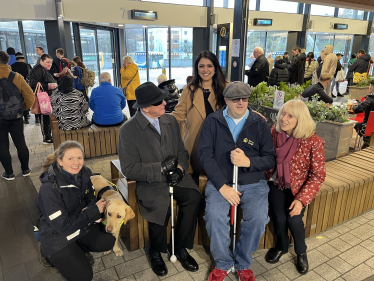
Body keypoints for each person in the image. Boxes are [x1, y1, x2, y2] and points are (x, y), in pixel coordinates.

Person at [118, 82, 201, 277]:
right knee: (159, 204)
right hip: (151, 182)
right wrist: (161, 169)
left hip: (177, 177)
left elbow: (181, 151)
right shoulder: (128, 130)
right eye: (159, 102)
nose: (165, 102)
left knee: (194, 197)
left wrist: (180, 169)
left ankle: (179, 246)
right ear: (145, 107)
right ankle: (156, 251)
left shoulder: (170, 121)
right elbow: (129, 168)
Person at [198, 81, 275, 281]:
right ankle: (223, 263)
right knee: (214, 216)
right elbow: (205, 155)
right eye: (235, 99)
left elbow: (269, 158)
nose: (240, 102)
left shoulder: (259, 123)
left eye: (245, 99)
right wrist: (222, 187)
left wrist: (248, 161)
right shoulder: (212, 122)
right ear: (226, 100)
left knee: (258, 218)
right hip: (221, 181)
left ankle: (243, 263)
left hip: (253, 182)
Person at [35, 141, 116, 281]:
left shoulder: (84, 173)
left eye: (80, 157)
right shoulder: (49, 189)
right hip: (57, 235)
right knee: (84, 277)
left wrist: (91, 207)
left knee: (108, 241)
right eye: (70, 158)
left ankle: (78, 249)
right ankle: (46, 252)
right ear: (60, 161)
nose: (76, 162)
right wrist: (91, 212)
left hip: (78, 223)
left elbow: (90, 195)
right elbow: (61, 226)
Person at [264, 100, 326, 275]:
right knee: (279, 218)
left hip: (299, 188)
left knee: (294, 220)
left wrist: (301, 199)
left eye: (290, 116)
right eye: (283, 113)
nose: (283, 118)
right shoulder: (274, 134)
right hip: (277, 183)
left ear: (300, 119)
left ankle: (301, 251)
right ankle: (282, 246)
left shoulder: (313, 141)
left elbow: (318, 175)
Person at [171, 50, 228, 177]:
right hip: (195, 145)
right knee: (196, 179)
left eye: (209, 66)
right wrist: (155, 119)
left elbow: (238, 109)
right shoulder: (189, 90)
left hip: (219, 144)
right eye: (201, 66)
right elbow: (178, 115)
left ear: (215, 68)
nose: (205, 70)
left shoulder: (226, 88)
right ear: (196, 69)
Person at [0, 51, 34, 180]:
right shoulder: (16, 76)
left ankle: (9, 173)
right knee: (20, 143)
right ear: (7, 61)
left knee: (2, 146)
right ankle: (25, 169)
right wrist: (21, 109)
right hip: (16, 117)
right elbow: (30, 97)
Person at [29, 54, 57, 143]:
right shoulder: (37, 70)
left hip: (47, 97)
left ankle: (49, 135)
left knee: (47, 117)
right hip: (43, 99)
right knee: (44, 117)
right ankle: (47, 137)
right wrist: (49, 86)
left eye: (51, 62)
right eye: (47, 62)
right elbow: (33, 84)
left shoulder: (43, 69)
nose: (50, 64)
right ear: (41, 61)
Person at [11, 52, 32, 124]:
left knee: (18, 101)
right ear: (23, 57)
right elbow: (30, 76)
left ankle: (20, 116)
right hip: (26, 85)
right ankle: (26, 117)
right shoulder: (27, 65)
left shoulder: (12, 66)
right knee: (25, 100)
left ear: (16, 58)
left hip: (15, 87)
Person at [352, 79, 374, 145]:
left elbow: (357, 110)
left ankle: (367, 142)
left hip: (369, 126)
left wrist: (354, 106)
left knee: (357, 126)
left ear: (372, 88)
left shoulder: (371, 98)